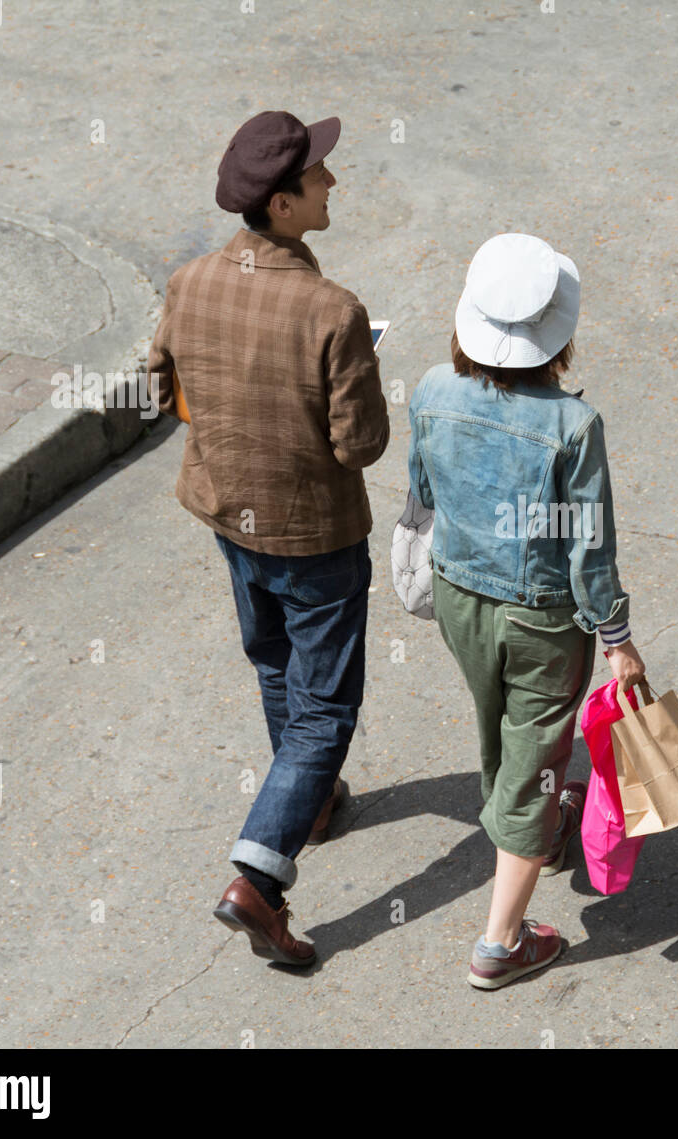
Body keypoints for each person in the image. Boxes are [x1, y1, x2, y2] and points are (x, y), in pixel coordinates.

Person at [147, 110, 389, 966]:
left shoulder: (189, 281)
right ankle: (259, 875)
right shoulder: (334, 310)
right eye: (318, 176)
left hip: (227, 516)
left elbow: (163, 386)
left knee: (273, 659)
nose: (333, 184)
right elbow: (360, 445)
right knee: (326, 706)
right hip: (314, 535)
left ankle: (312, 803)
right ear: (283, 205)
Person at [407, 233, 645, 989]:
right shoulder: (574, 428)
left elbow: (423, 492)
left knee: (499, 727)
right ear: (557, 338)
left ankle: (531, 827)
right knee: (536, 750)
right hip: (541, 618)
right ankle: (500, 943)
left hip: (458, 597)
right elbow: (589, 551)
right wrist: (618, 639)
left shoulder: (429, 390)